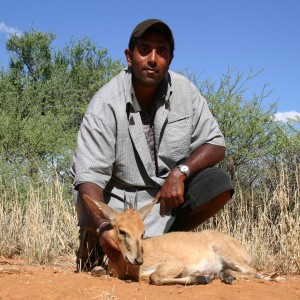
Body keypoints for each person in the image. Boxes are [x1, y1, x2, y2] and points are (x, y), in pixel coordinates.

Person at [71, 19, 234, 271]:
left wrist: (181, 172)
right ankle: (98, 244)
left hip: (163, 199)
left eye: (162, 51)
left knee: (218, 184)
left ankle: (166, 243)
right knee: (92, 207)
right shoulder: (105, 103)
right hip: (118, 205)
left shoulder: (185, 91)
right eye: (144, 49)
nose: (152, 59)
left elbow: (216, 143)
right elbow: (88, 177)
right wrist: (105, 226)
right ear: (129, 56)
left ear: (170, 58)